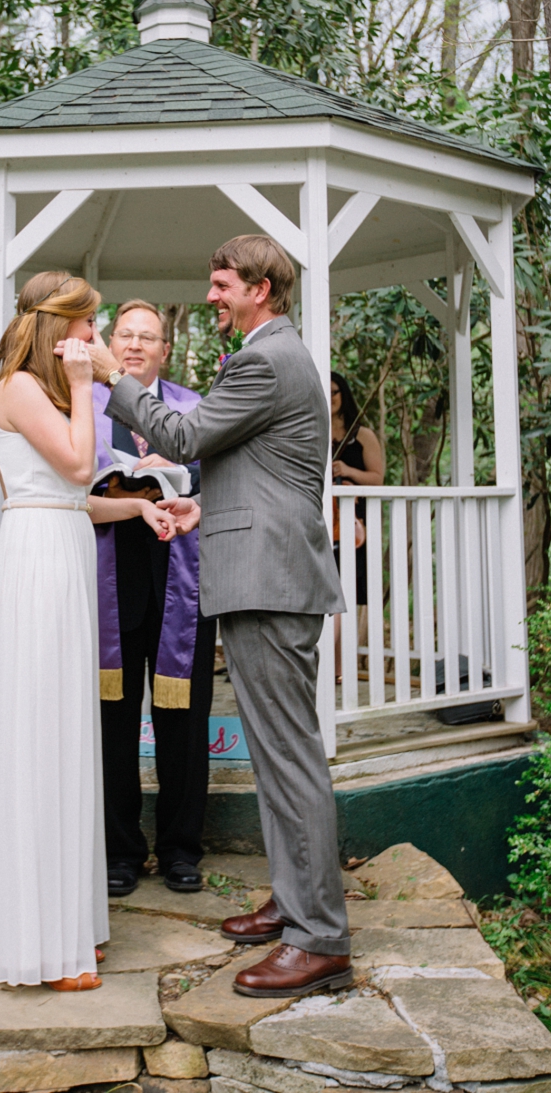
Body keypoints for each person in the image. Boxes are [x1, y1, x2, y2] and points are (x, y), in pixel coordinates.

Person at [88, 235, 353, 1000]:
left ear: (261, 289)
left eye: (222, 283)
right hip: (261, 569)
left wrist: (112, 374)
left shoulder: (267, 358)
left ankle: (320, 939)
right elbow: (271, 474)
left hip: (271, 583)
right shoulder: (276, 354)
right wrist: (201, 505)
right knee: (276, 757)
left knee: (291, 757)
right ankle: (294, 898)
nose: (212, 295)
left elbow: (180, 435)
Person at [0, 272, 178, 992]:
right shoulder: (22, 385)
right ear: (62, 329)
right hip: (36, 566)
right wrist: (89, 388)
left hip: (61, 550)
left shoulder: (44, 393)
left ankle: (70, 927)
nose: (96, 339)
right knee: (39, 739)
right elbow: (83, 464)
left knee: (65, 739)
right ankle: (36, 944)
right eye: (90, 326)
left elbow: (75, 498)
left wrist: (139, 510)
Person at [92, 300, 215, 898]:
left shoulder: (194, 408)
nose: (136, 345)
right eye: (126, 334)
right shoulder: (82, 407)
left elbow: (221, 476)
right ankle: (119, 850)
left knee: (184, 721)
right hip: (109, 573)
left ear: (166, 349)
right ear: (110, 343)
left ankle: (180, 849)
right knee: (112, 719)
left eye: (149, 337)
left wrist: (182, 470)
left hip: (179, 574)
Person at [330, 372, 385, 678]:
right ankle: (336, 671)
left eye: (335, 392)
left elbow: (377, 478)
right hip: (323, 520)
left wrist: (348, 470)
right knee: (332, 595)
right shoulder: (316, 430)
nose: (330, 398)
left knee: (345, 595)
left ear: (344, 394)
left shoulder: (362, 435)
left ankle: (336, 668)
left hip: (354, 525)